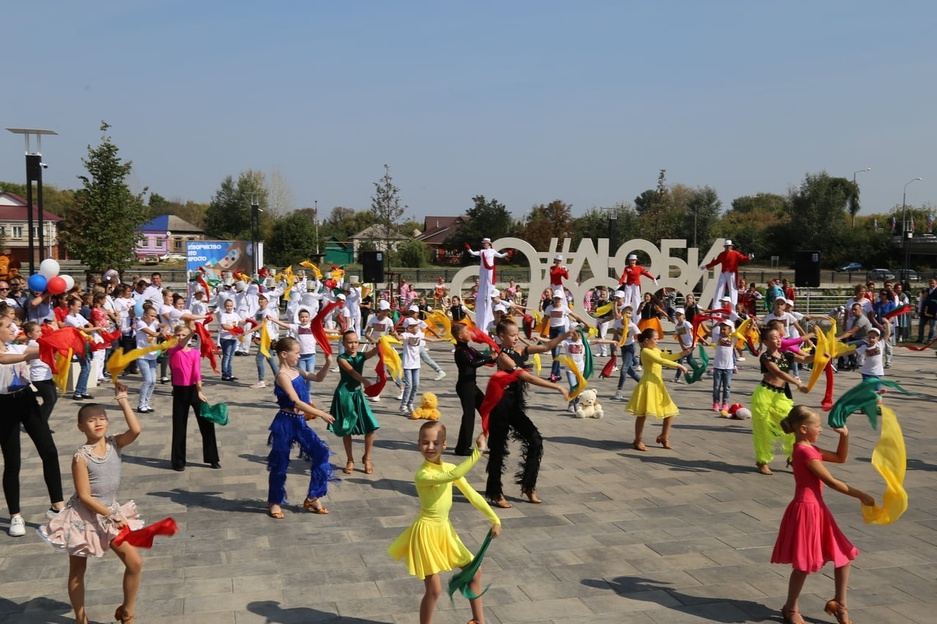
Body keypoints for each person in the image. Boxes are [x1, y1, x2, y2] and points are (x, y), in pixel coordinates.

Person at [39, 383, 145, 624]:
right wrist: (110, 515)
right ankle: (80, 619)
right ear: (80, 427)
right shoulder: (81, 456)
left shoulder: (115, 444)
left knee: (135, 562)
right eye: (90, 420)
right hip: (83, 519)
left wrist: (122, 400)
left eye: (102, 418)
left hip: (110, 513)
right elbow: (84, 496)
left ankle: (127, 613)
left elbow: (136, 430)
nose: (98, 423)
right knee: (78, 571)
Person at [388, 422, 502, 624]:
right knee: (434, 590)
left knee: (475, 571)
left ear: (444, 445)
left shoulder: (449, 467)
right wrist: (478, 451)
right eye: (425, 443)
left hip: (444, 531)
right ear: (418, 445)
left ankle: (478, 621)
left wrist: (495, 519)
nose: (430, 447)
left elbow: (472, 495)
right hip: (426, 533)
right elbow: (454, 475)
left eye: (435, 443)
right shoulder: (423, 474)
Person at [770, 405, 875, 624]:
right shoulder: (803, 451)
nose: (821, 429)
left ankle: (839, 604)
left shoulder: (809, 447)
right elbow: (831, 481)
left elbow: (840, 457)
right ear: (803, 429)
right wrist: (861, 495)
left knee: (844, 557)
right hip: (806, 511)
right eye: (818, 426)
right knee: (803, 565)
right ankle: (790, 609)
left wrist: (845, 436)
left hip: (817, 509)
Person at [486, 318, 570, 508]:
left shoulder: (520, 350)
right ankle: (495, 492)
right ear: (502, 336)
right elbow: (526, 377)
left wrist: (564, 335)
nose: (517, 338)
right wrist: (556, 386)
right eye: (513, 335)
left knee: (535, 440)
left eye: (517, 334)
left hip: (515, 406)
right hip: (500, 406)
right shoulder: (502, 357)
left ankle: (528, 485)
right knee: (498, 450)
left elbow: (546, 347)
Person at [0, 316, 65, 537]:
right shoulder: (10, 352)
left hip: (26, 399)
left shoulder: (18, 346)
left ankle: (57, 506)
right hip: (3, 406)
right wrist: (37, 352)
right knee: (13, 461)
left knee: (49, 451)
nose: (14, 328)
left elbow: (35, 349)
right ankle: (15, 515)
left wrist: (59, 341)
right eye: (8, 326)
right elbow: (3, 358)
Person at [266, 337, 335, 519]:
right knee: (280, 463)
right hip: (285, 423)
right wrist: (320, 413)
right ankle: (274, 502)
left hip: (299, 422)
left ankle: (313, 496)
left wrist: (327, 363)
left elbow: (318, 378)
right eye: (296, 353)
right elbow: (295, 400)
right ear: (283, 354)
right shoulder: (282, 376)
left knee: (321, 453)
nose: (299, 355)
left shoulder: (296, 370)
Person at [752, 327, 814, 475]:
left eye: (779, 337)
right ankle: (762, 461)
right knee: (763, 430)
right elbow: (778, 372)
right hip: (764, 395)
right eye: (773, 338)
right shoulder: (765, 357)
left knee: (792, 426)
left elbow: (806, 359)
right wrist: (798, 383)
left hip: (780, 397)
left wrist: (820, 355)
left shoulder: (786, 355)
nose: (778, 340)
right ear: (766, 342)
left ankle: (794, 458)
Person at [167, 324, 221, 472]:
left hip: (194, 391)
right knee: (179, 427)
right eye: (178, 335)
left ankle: (212, 458)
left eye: (183, 335)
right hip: (179, 391)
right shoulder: (173, 350)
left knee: (206, 423)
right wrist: (192, 332)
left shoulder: (195, 353)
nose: (180, 338)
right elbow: (180, 344)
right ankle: (178, 461)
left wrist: (199, 391)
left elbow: (196, 373)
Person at [328, 331, 381, 475]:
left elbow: (373, 352)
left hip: (358, 394)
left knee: (370, 426)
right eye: (350, 342)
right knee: (347, 428)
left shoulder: (361, 356)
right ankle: (350, 459)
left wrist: (382, 344)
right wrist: (365, 381)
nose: (353, 345)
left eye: (356, 342)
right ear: (344, 344)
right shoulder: (341, 358)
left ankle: (367, 458)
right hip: (344, 395)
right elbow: (352, 372)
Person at [627, 328, 689, 451]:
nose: (657, 341)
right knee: (642, 414)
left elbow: (667, 357)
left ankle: (664, 436)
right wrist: (680, 365)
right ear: (647, 340)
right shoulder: (645, 351)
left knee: (670, 411)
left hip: (658, 384)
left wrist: (683, 353)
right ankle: (637, 440)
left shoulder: (655, 349)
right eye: (655, 339)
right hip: (648, 385)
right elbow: (660, 361)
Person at [452, 323, 496, 456]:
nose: (470, 334)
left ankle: (494, 443)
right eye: (467, 332)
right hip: (465, 387)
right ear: (460, 336)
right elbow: (473, 364)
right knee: (469, 416)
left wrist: (495, 353)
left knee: (487, 411)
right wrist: (490, 358)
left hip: (472, 386)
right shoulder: (460, 352)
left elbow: (483, 358)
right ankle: (462, 447)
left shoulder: (469, 349)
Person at [466, 237, 510, 335]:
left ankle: (490, 294)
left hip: (490, 269)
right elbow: (473, 253)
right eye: (484, 243)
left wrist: (508, 253)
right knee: (483, 282)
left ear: (489, 244)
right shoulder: (482, 251)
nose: (484, 245)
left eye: (486, 243)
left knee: (489, 283)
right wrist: (468, 248)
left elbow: (501, 255)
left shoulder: (493, 251)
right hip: (483, 269)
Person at [702, 239, 752, 307]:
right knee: (719, 288)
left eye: (729, 246)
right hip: (723, 272)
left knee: (733, 289)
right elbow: (716, 262)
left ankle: (734, 306)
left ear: (731, 246)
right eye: (726, 246)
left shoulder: (735, 253)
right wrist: (706, 266)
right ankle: (716, 306)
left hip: (732, 273)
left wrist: (748, 258)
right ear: (724, 247)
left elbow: (742, 258)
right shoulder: (722, 254)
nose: (727, 247)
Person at [24, 321, 58, 423]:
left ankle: (41, 420)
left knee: (52, 399)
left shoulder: (39, 342)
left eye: (40, 331)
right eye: (37, 331)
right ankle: (38, 422)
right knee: (49, 401)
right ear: (30, 334)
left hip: (46, 375)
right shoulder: (33, 343)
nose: (40, 333)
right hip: (39, 377)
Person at [134, 306, 165, 413]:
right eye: (151, 316)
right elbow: (152, 333)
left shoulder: (154, 322)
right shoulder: (140, 323)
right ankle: (141, 404)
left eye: (154, 316)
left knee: (153, 381)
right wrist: (162, 334)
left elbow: (163, 325)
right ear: (145, 315)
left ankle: (147, 403)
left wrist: (164, 328)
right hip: (142, 356)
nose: (153, 318)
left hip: (152, 355)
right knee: (147, 380)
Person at [613, 305, 641, 400]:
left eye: (629, 313)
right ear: (622, 313)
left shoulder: (632, 326)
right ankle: (643, 383)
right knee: (629, 370)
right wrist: (614, 348)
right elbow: (615, 336)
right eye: (626, 312)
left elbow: (640, 336)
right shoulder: (617, 323)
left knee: (624, 369)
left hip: (630, 348)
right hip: (622, 347)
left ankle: (619, 391)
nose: (628, 315)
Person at [217, 297, 245, 382]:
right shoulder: (224, 315)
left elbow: (241, 321)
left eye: (230, 306)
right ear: (225, 306)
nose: (229, 307)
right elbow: (224, 326)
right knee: (226, 355)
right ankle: (225, 374)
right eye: (227, 306)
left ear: (233, 306)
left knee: (231, 356)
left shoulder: (235, 314)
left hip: (233, 338)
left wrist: (248, 320)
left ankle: (229, 373)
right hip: (225, 338)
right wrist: (233, 329)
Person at [711, 320, 736, 413]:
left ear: (730, 330)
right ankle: (716, 403)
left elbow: (744, 333)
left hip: (728, 367)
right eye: (721, 329)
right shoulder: (717, 337)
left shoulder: (733, 338)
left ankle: (725, 403)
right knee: (716, 387)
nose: (722, 331)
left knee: (727, 387)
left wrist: (751, 323)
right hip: (717, 366)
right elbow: (707, 332)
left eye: (724, 329)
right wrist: (715, 325)